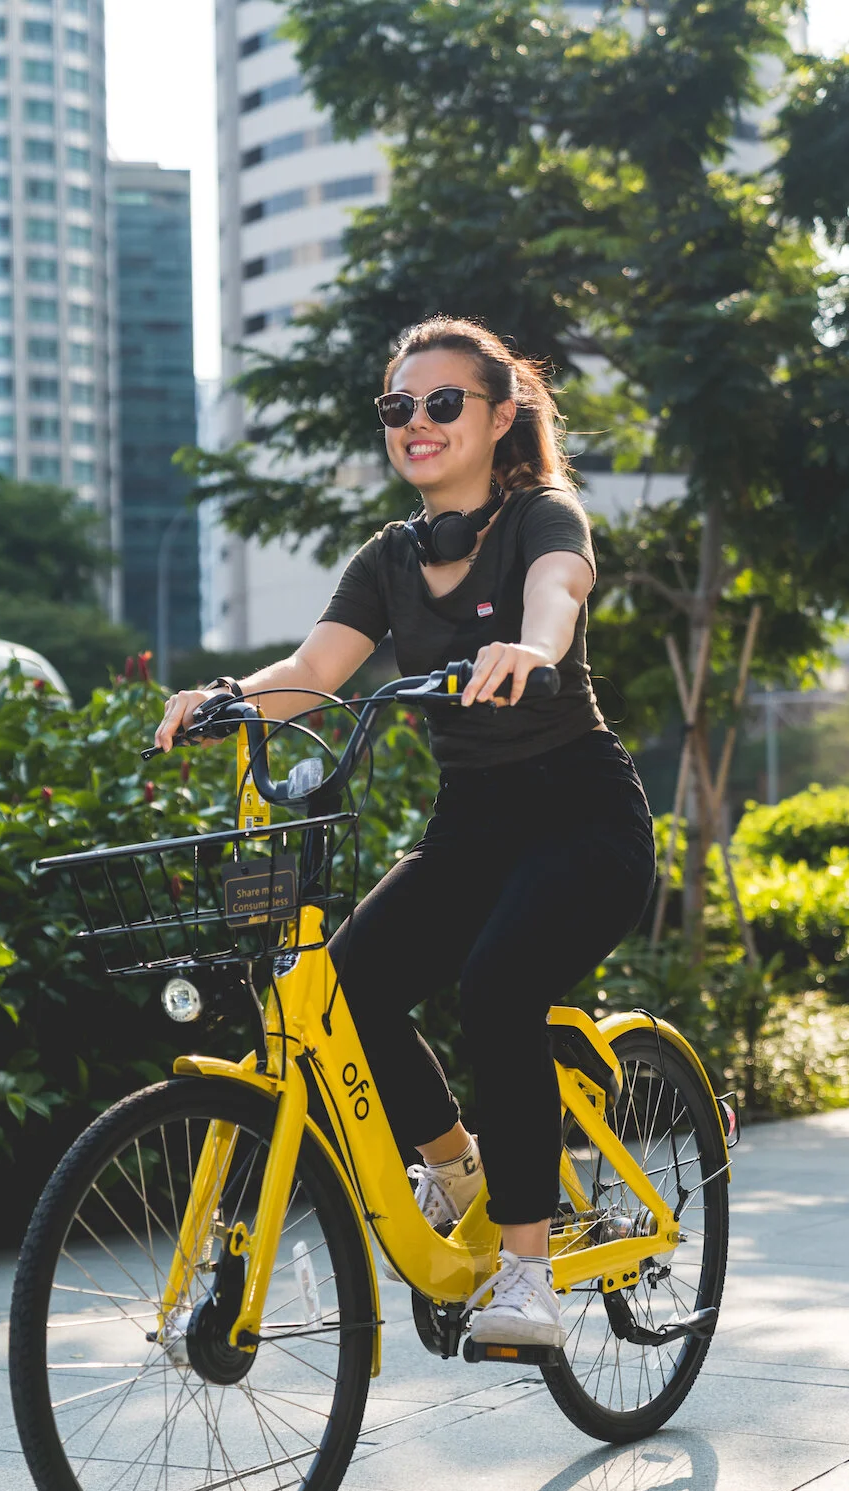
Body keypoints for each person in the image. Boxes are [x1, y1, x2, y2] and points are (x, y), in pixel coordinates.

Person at [155, 316, 656, 1350]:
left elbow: (558, 589)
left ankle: (527, 1274)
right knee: (344, 989)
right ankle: (457, 1165)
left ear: (499, 415)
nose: (416, 422)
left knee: (498, 985)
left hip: (581, 817)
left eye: (442, 403)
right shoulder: (389, 558)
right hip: (472, 822)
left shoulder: (541, 515)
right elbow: (312, 672)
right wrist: (223, 697)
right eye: (398, 406)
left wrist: (531, 648)